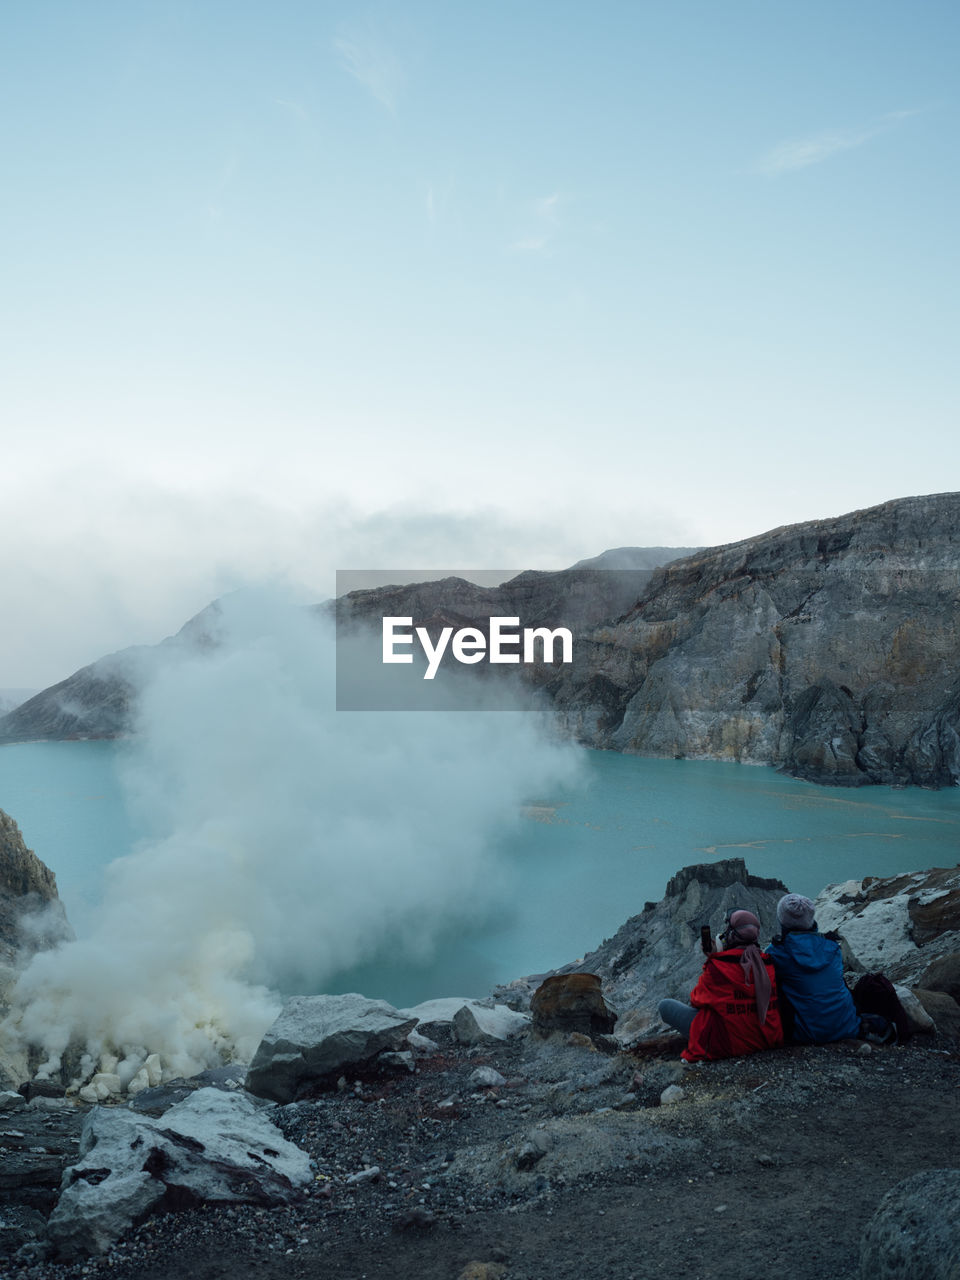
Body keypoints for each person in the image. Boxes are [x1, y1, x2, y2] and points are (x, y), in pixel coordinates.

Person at [659, 909, 784, 1062]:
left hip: (726, 1044)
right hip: (766, 1039)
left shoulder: (718, 967)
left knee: (665, 1006)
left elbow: (696, 1000)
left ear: (730, 936)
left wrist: (714, 958)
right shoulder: (769, 963)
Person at [765, 893, 861, 1044]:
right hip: (847, 1027)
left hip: (805, 1034)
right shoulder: (833, 947)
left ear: (782, 921)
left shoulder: (778, 952)